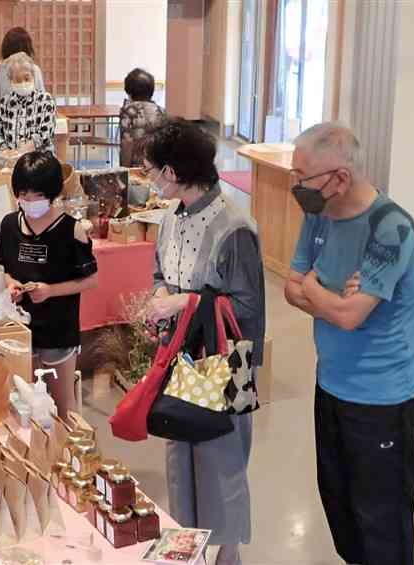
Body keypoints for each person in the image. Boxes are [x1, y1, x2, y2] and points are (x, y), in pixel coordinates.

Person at [284, 122, 414, 565]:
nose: (295, 186)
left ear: (339, 178)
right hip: (331, 386)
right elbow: (291, 287)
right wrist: (330, 296)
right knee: (341, 508)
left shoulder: (391, 228)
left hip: (381, 400)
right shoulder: (318, 215)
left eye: (302, 177)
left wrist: (317, 290)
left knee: (381, 524)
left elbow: (348, 315)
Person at [145, 119, 265, 565]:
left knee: (220, 461)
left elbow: (246, 308)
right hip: (179, 355)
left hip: (223, 361)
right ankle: (188, 550)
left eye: (152, 171)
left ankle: (226, 556)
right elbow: (160, 273)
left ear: (173, 173)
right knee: (179, 455)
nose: (150, 180)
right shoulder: (170, 218)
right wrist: (160, 295)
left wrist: (179, 304)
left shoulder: (234, 227)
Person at [0, 152, 98, 417]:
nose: (29, 203)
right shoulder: (9, 225)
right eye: (23, 196)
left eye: (37, 196)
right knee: (23, 405)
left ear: (53, 194)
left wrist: (51, 290)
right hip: (19, 330)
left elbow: (91, 280)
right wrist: (11, 285)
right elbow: (3, 268)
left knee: (63, 408)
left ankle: (72, 455)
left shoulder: (72, 230)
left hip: (58, 330)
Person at [0, 52, 57, 155]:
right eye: (18, 80)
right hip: (10, 162)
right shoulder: (4, 103)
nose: (23, 83)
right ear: (10, 81)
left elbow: (46, 134)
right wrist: (7, 153)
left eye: (26, 78)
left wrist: (25, 150)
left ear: (33, 76)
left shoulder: (45, 100)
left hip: (40, 161)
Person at [0, 27, 46, 118]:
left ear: (5, 47)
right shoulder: (34, 69)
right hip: (30, 125)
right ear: (28, 47)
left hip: (4, 124)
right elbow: (41, 102)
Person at [119, 68, 165, 167]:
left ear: (129, 91)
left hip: (137, 166)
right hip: (156, 166)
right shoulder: (161, 111)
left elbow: (127, 142)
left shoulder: (129, 110)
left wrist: (124, 169)